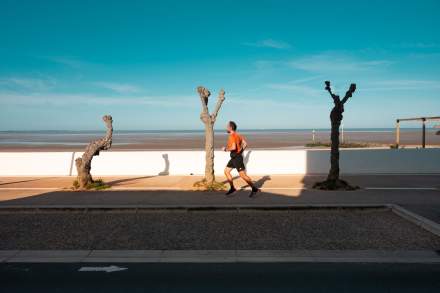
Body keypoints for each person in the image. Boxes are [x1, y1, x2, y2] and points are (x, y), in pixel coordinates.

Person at [222, 121, 260, 197]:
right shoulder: (238, 135)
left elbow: (233, 147)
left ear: (231, 127)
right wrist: (241, 151)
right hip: (234, 157)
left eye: (227, 126)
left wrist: (225, 149)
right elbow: (245, 144)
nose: (226, 128)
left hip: (237, 158)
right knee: (226, 171)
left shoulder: (232, 136)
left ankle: (254, 188)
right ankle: (232, 188)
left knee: (242, 175)